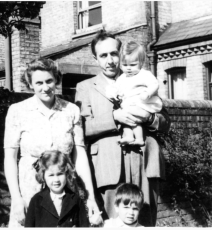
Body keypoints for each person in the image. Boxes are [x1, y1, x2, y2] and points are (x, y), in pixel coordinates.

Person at [75, 30, 171, 226]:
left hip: (145, 160)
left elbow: (165, 122)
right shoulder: (85, 87)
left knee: (145, 220)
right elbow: (82, 129)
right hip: (108, 165)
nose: (110, 60)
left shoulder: (141, 78)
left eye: (114, 54)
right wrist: (113, 117)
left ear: (122, 53)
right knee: (112, 222)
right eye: (103, 55)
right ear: (95, 58)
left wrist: (149, 117)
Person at [4, 58, 101, 227]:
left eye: (49, 81)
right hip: (29, 188)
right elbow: (10, 158)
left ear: (56, 79)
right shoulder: (17, 111)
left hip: (64, 188)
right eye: (39, 82)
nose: (45, 87)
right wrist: (17, 198)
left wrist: (90, 196)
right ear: (30, 84)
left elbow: (80, 156)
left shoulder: (71, 110)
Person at [106, 40, 163, 146]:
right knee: (126, 120)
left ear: (141, 63)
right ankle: (129, 136)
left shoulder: (144, 74)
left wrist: (147, 93)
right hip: (128, 104)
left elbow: (154, 84)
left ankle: (139, 139)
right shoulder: (122, 77)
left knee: (135, 120)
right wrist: (113, 94)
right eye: (125, 65)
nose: (128, 68)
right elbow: (116, 87)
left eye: (132, 65)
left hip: (141, 103)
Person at [25, 150, 89, 227]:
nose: (56, 180)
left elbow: (84, 225)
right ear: (43, 176)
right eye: (51, 175)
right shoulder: (36, 200)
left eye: (60, 174)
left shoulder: (76, 200)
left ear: (67, 174)